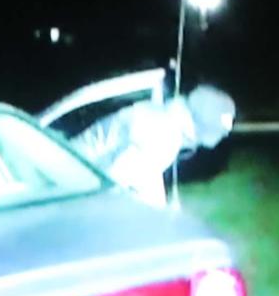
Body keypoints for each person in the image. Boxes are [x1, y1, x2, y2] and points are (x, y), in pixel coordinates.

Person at [69, 84, 236, 207]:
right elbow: (111, 186)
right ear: (198, 130)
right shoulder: (164, 136)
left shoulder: (162, 116)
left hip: (72, 172)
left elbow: (147, 175)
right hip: (66, 186)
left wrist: (161, 209)